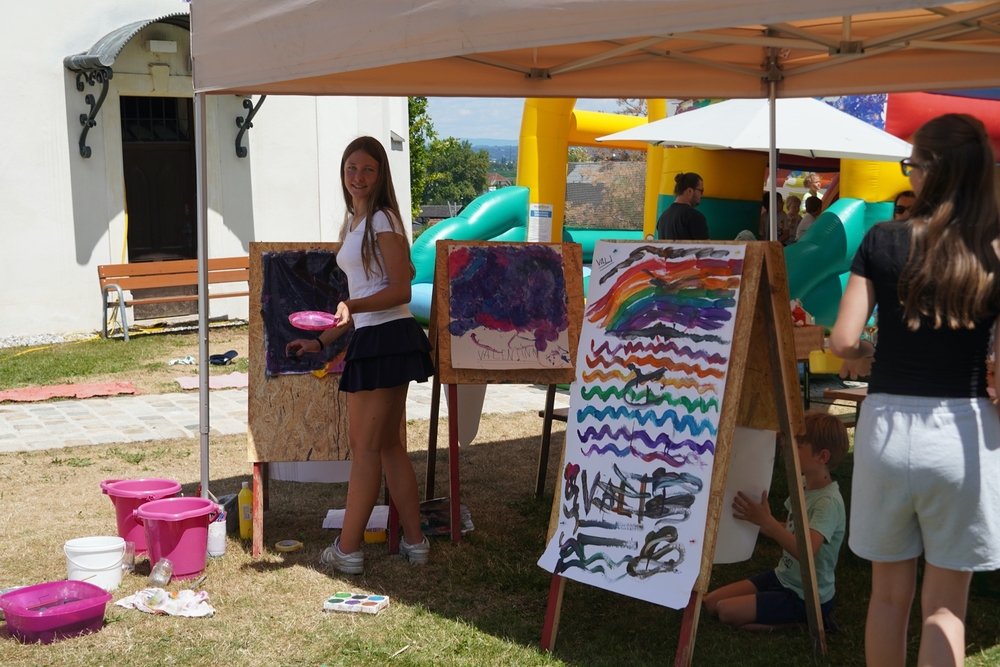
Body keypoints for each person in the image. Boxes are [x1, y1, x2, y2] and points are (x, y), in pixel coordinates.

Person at [830, 113, 1000, 666]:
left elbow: (843, 340)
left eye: (911, 165)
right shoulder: (994, 248)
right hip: (966, 433)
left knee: (887, 598)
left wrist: (868, 352)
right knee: (946, 608)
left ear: (928, 170)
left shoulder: (882, 238)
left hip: (886, 427)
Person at [286, 136, 435, 575]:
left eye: (368, 168)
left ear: (381, 174)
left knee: (366, 448)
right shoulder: (356, 222)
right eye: (352, 168)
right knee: (386, 446)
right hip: (377, 338)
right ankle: (416, 542)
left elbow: (400, 290)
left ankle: (348, 550)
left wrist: (353, 306)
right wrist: (321, 342)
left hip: (388, 338)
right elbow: (359, 302)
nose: (358, 176)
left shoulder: (383, 219)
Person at [704, 411, 849, 632]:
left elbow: (806, 551)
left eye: (797, 446)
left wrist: (768, 521)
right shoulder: (803, 484)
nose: (786, 447)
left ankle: (805, 623)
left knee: (726, 612)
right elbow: (791, 530)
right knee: (712, 602)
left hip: (806, 596)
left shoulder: (827, 502)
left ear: (822, 457)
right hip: (781, 577)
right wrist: (757, 520)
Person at [657, 172, 709, 240]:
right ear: (689, 191)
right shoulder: (694, 216)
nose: (702, 195)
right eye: (701, 191)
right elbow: (705, 246)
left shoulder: (663, 217)